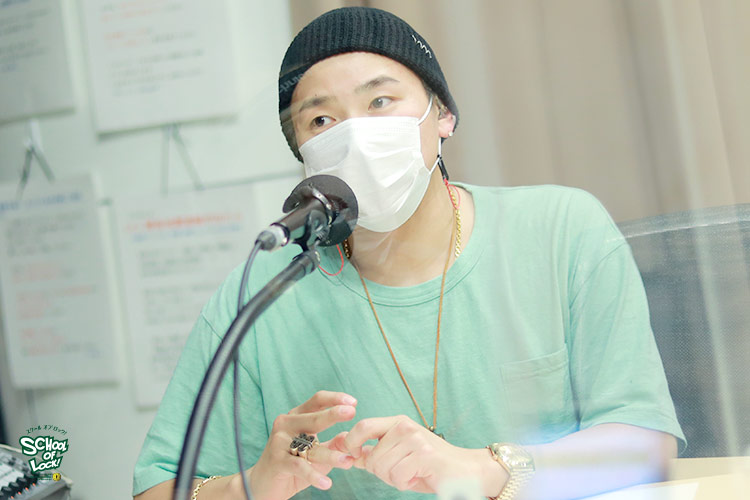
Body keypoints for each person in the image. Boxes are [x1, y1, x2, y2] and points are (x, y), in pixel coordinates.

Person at [132, 7, 684, 500]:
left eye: (380, 101)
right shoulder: (263, 292)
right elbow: (157, 490)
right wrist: (253, 486)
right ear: (302, 150)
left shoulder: (559, 230)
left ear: (442, 116)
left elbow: (646, 448)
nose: (355, 135)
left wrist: (483, 469)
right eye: (321, 120)